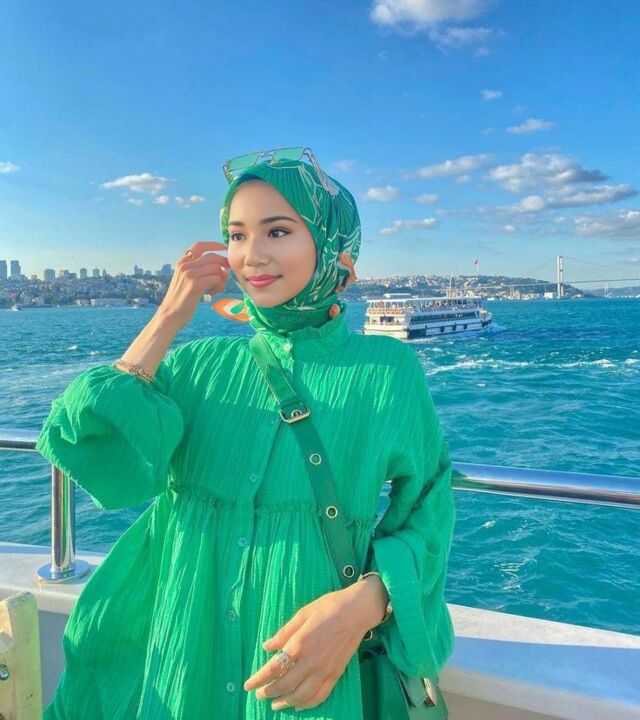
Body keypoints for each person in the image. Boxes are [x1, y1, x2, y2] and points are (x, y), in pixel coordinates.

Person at [35, 153, 456, 719]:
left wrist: (367, 603)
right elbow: (91, 443)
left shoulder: (389, 371)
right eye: (236, 235)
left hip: (306, 666)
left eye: (277, 231)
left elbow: (429, 505)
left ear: (333, 248)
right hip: (184, 652)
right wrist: (169, 314)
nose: (251, 255)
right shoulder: (197, 368)